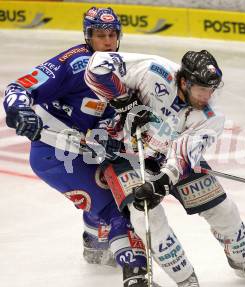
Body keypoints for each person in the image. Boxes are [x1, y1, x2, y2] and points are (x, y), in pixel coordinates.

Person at [84, 49, 245, 286]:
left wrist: (163, 181)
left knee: (223, 209)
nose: (207, 96)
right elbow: (97, 66)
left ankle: (243, 259)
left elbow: (183, 155)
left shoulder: (210, 117)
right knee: (147, 218)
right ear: (184, 81)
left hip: (168, 158)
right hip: (125, 154)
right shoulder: (154, 71)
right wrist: (124, 100)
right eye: (201, 89)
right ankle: (187, 280)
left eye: (211, 89)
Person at [3, 7, 162, 287]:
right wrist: (21, 112)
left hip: (87, 148)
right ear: (88, 36)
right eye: (100, 35)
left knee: (112, 189)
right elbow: (19, 88)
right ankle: (136, 277)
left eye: (112, 35)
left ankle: (94, 241)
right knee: (120, 208)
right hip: (55, 153)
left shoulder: (121, 67)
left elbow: (118, 114)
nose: (108, 41)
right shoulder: (74, 64)